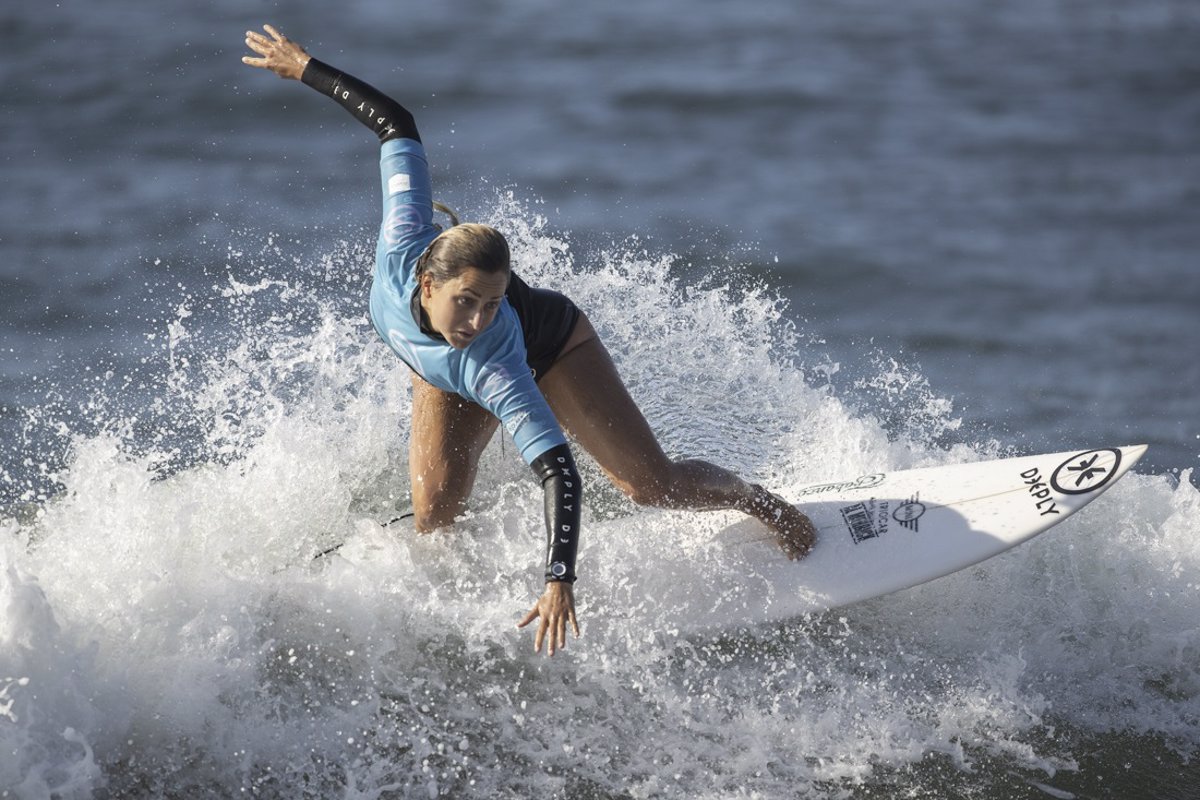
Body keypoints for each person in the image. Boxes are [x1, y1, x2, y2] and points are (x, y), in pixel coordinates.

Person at [241, 24, 815, 656]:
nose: (480, 319)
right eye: (467, 301)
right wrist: (306, 68)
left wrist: (558, 579)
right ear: (426, 282)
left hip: (552, 348)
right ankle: (444, 628)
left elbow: (559, 471)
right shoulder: (402, 241)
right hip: (440, 370)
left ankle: (764, 504)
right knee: (433, 514)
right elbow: (396, 125)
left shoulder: (495, 357)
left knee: (651, 487)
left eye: (491, 303)